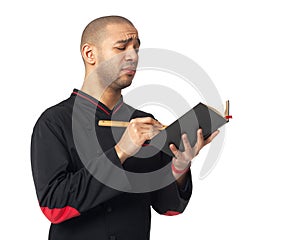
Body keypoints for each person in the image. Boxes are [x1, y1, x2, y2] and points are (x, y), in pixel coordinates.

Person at [30, 15, 219, 240]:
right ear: (89, 54)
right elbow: (55, 207)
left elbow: (167, 207)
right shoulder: (54, 122)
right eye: (121, 48)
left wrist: (179, 168)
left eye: (136, 48)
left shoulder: (145, 121)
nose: (133, 57)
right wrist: (121, 152)